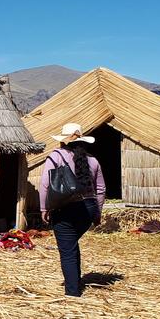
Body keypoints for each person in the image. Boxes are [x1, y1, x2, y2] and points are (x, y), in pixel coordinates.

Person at [39, 122, 106, 297]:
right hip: (88, 209)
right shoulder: (93, 160)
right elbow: (100, 189)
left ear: (63, 141)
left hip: (65, 208)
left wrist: (43, 208)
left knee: (67, 250)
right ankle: (75, 281)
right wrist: (97, 212)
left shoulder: (56, 156)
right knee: (71, 245)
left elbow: (45, 184)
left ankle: (73, 293)